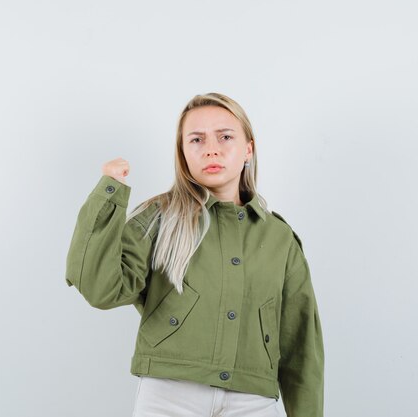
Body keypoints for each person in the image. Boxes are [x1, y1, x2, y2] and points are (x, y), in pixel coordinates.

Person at [65, 92, 324, 417]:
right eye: (196, 140)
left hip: (253, 399)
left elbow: (301, 344)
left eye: (225, 136)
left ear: (248, 149)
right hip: (169, 393)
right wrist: (110, 192)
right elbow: (102, 289)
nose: (211, 149)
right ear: (183, 154)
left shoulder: (279, 238)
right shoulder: (159, 217)